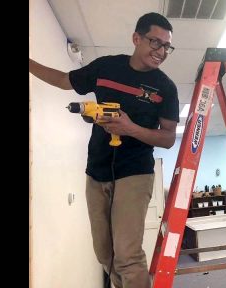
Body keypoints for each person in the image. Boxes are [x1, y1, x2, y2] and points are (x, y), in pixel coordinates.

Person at [29, 12, 179, 288]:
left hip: (135, 173)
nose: (161, 51)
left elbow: (169, 138)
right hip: (96, 171)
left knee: (128, 256)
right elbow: (64, 80)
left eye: (167, 46)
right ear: (136, 38)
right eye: (155, 42)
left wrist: (130, 128)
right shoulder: (106, 68)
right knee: (104, 254)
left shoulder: (165, 88)